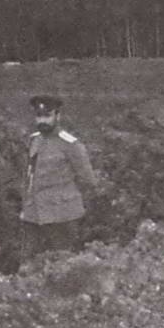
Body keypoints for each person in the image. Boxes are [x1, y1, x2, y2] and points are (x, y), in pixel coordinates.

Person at [20, 95, 98, 257]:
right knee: (28, 263)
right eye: (39, 116)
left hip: (62, 217)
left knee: (63, 262)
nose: (43, 121)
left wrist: (72, 204)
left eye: (47, 116)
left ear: (58, 116)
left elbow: (88, 180)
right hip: (34, 215)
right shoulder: (34, 141)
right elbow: (29, 175)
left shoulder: (70, 145)